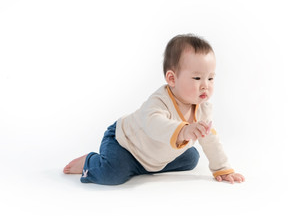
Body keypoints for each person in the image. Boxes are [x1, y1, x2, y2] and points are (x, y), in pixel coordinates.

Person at [63, 34, 245, 185]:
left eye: (211, 78)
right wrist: (183, 130)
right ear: (172, 79)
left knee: (191, 158)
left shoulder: (203, 109)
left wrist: (222, 168)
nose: (205, 85)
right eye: (197, 78)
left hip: (154, 157)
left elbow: (210, 139)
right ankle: (90, 162)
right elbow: (154, 124)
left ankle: (146, 168)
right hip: (126, 145)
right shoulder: (160, 101)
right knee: (113, 174)